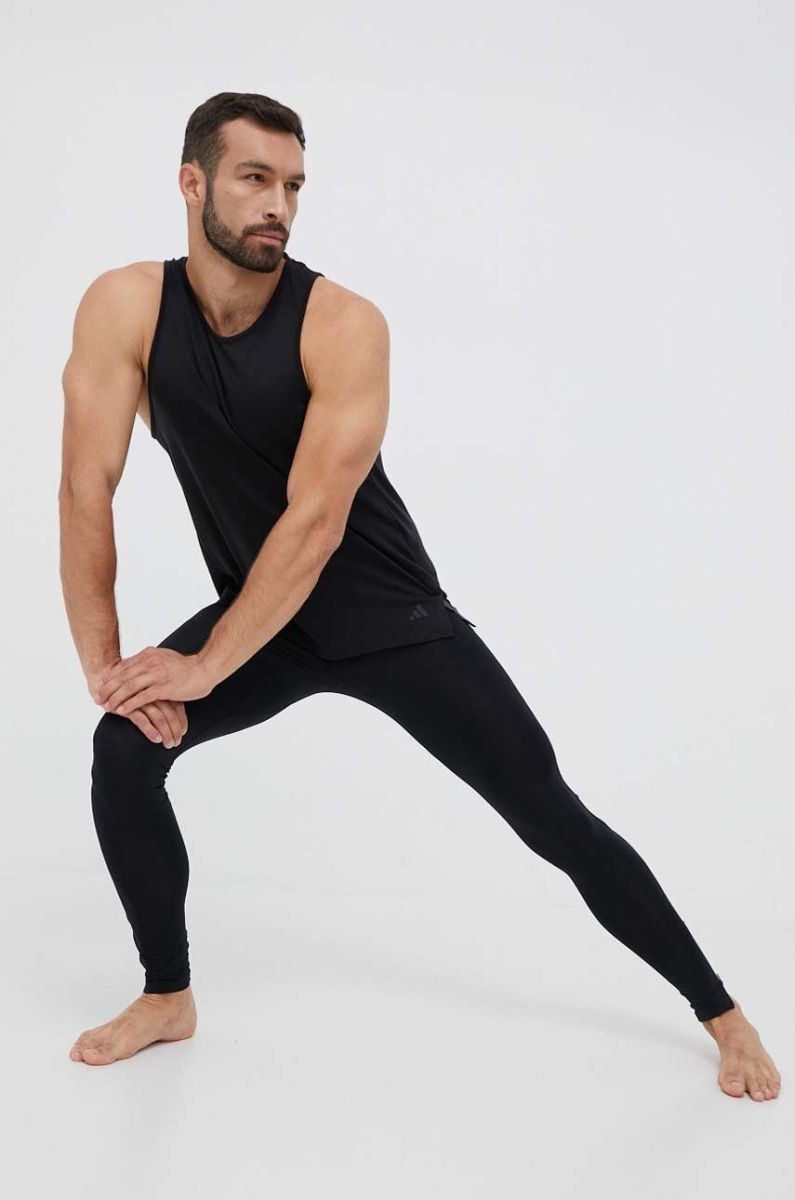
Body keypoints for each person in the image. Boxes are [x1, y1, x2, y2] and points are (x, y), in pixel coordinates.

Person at [59, 92, 780, 1101]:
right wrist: (107, 667)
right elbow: (84, 486)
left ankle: (723, 1013)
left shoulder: (344, 324)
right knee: (124, 749)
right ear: (192, 183)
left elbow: (315, 523)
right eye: (255, 178)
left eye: (293, 185)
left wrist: (206, 664)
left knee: (549, 813)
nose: (278, 205)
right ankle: (166, 995)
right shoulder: (126, 305)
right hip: (262, 616)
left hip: (385, 617)